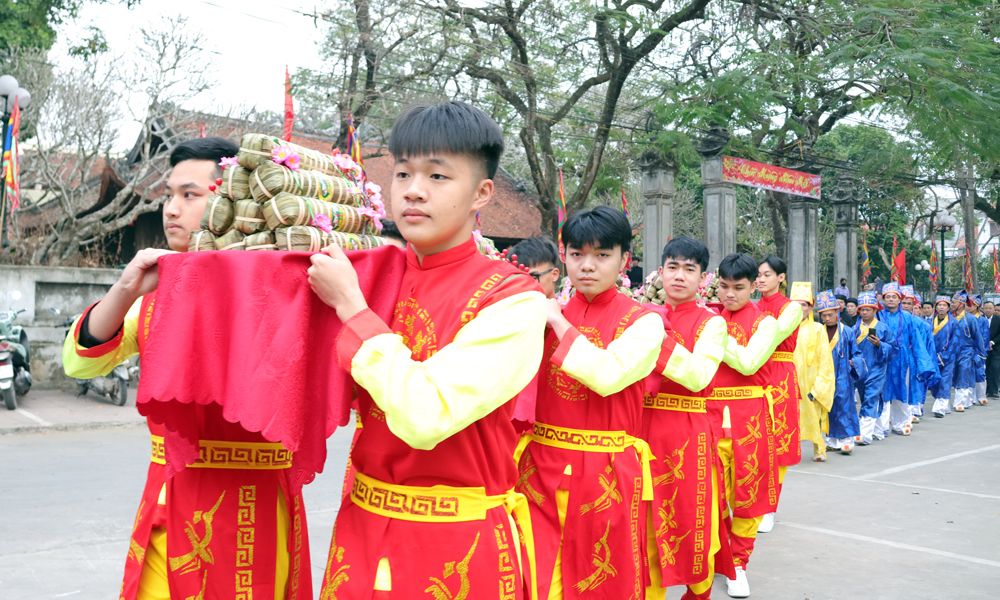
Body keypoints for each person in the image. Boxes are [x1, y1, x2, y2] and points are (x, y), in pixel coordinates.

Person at [308, 101, 547, 598]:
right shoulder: (374, 276)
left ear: (482, 193)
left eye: (438, 176)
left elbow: (427, 415)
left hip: (456, 545)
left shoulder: (514, 299)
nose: (413, 190)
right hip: (362, 525)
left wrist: (353, 309)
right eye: (402, 173)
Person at [63, 137, 314, 599]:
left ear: (233, 201)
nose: (171, 209)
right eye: (169, 196)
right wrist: (126, 289)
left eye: (190, 195)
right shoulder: (157, 296)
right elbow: (79, 362)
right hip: (172, 504)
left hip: (253, 512)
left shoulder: (293, 295)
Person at [515, 205, 664, 600]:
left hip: (606, 474)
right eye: (577, 254)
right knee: (536, 578)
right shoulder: (543, 316)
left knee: (601, 582)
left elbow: (607, 375)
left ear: (625, 260)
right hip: (540, 467)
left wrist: (557, 322)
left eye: (602, 255)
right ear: (563, 257)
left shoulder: (643, 322)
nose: (587, 266)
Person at [642, 236, 733, 600]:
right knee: (644, 523)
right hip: (639, 428)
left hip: (686, 433)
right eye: (672, 267)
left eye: (689, 269)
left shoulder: (712, 324)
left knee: (692, 523)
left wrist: (657, 336)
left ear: (703, 278)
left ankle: (697, 593)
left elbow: (698, 376)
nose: (679, 276)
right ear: (660, 271)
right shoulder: (640, 315)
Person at [709, 253, 782, 598]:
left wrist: (713, 335)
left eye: (738, 288)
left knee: (747, 496)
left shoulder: (766, 323)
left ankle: (738, 563)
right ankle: (719, 557)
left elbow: (750, 361)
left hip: (749, 417)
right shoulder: (708, 317)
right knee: (711, 495)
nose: (729, 295)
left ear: (754, 286)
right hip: (709, 414)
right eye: (723, 286)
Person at [754, 256, 802, 534]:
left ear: (781, 278)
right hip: (752, 372)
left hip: (779, 374)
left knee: (778, 445)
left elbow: (774, 335)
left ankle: (769, 508)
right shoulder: (751, 305)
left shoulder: (791, 307)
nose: (760, 280)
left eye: (767, 275)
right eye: (758, 275)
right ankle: (748, 503)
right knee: (752, 441)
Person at [876, 283, 936, 437]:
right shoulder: (878, 316)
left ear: (899, 299)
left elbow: (917, 341)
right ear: (883, 299)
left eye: (893, 297)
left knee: (901, 392)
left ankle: (900, 424)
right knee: (881, 393)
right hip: (881, 360)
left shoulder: (909, 318)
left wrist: (923, 363)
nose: (890, 299)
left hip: (902, 361)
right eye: (887, 297)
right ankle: (880, 428)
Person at [790, 283, 836, 463]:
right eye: (796, 304)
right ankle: (790, 451)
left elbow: (825, 360)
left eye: (804, 304)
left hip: (811, 381)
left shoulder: (818, 329)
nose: (800, 308)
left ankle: (819, 447)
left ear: (811, 307)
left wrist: (819, 387)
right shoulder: (785, 327)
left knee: (813, 414)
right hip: (790, 379)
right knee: (790, 417)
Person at [817, 290, 863, 455]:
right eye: (823, 315)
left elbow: (856, 354)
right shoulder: (819, 332)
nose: (827, 318)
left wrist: (854, 363)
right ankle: (831, 441)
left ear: (837, 312)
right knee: (827, 407)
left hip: (843, 374)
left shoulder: (847, 332)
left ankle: (846, 440)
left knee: (844, 406)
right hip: (824, 375)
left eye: (830, 314)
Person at [853, 291, 895, 445]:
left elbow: (894, 348)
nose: (864, 312)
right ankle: (878, 430)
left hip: (877, 369)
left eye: (868, 309)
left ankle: (864, 435)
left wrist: (880, 344)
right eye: (862, 309)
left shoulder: (883, 328)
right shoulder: (854, 328)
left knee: (870, 398)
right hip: (860, 370)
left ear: (875, 310)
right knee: (866, 398)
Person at [901, 285, 937, 423]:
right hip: (896, 358)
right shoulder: (888, 320)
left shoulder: (922, 325)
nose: (905, 306)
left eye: (908, 303)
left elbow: (927, 345)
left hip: (914, 358)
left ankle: (913, 410)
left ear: (914, 306)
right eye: (903, 303)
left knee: (914, 384)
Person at [947, 290, 982, 413]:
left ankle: (960, 402)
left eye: (953, 302)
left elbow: (978, 336)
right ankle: (948, 401)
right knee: (952, 375)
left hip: (966, 350)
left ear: (961, 304)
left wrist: (980, 353)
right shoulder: (949, 317)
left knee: (963, 373)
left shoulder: (970, 319)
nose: (951, 304)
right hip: (951, 351)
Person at [930, 296, 958, 418]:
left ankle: (939, 408)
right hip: (932, 356)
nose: (941, 307)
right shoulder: (929, 322)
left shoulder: (954, 322)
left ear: (948, 308)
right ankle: (944, 404)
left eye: (944, 305)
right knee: (934, 382)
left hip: (948, 356)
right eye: (939, 305)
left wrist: (945, 356)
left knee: (945, 381)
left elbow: (956, 341)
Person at [968, 294, 990, 405]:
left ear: (976, 306)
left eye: (970, 304)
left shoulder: (983, 320)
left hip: (979, 351)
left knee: (980, 373)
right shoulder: (965, 318)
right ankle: (971, 397)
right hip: (967, 350)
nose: (968, 306)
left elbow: (985, 336)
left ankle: (981, 395)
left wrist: (981, 351)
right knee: (969, 373)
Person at [984, 300, 1000, 400]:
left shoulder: (998, 320)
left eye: (990, 308)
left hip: (996, 349)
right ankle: (984, 390)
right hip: (982, 349)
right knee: (984, 369)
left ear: (994, 309)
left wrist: (992, 342)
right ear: (983, 309)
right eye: (986, 308)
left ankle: (993, 391)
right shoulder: (980, 320)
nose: (988, 310)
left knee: (994, 368)